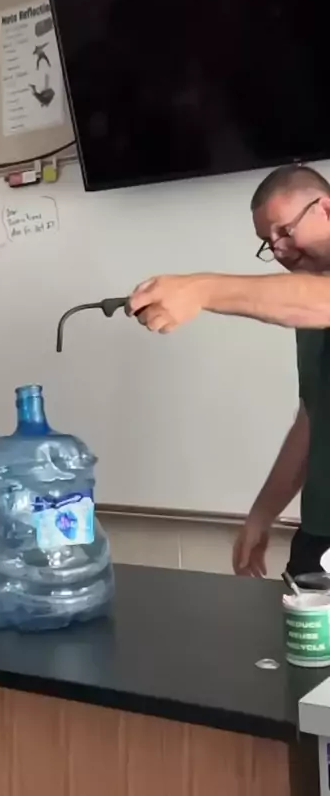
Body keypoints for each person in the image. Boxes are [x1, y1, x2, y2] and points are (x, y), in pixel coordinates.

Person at [127, 164, 330, 578]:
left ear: (325, 209)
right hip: (319, 534)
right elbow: (314, 417)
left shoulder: (315, 302)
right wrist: (262, 514)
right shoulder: (305, 311)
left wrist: (201, 289)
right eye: (268, 242)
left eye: (285, 231)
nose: (279, 250)